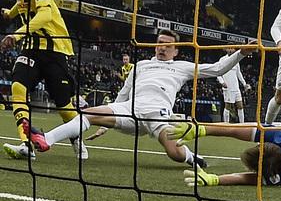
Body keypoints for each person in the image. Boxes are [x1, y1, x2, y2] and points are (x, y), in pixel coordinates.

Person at [20, 29, 253, 169]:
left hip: (157, 115)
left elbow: (218, 69)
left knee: (174, 153)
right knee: (88, 113)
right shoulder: (140, 65)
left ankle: (193, 158)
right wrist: (105, 126)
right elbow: (123, 95)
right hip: (129, 110)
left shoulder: (182, 67)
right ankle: (46, 139)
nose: (162, 48)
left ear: (176, 50)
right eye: (159, 43)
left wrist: (242, 52)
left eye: (167, 45)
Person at [1, 0, 88, 160]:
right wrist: (9, 15)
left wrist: (17, 34)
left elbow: (45, 16)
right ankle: (26, 144)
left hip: (54, 48)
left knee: (63, 105)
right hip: (31, 48)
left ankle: (76, 136)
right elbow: (22, 3)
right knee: (18, 88)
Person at [218, 55, 249, 124]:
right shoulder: (223, 59)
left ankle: (242, 124)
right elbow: (218, 71)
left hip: (236, 87)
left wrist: (244, 84)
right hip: (228, 87)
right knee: (227, 106)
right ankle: (226, 124)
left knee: (240, 106)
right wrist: (222, 82)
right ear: (226, 49)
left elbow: (239, 73)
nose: (231, 50)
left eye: (232, 48)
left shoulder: (236, 59)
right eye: (229, 48)